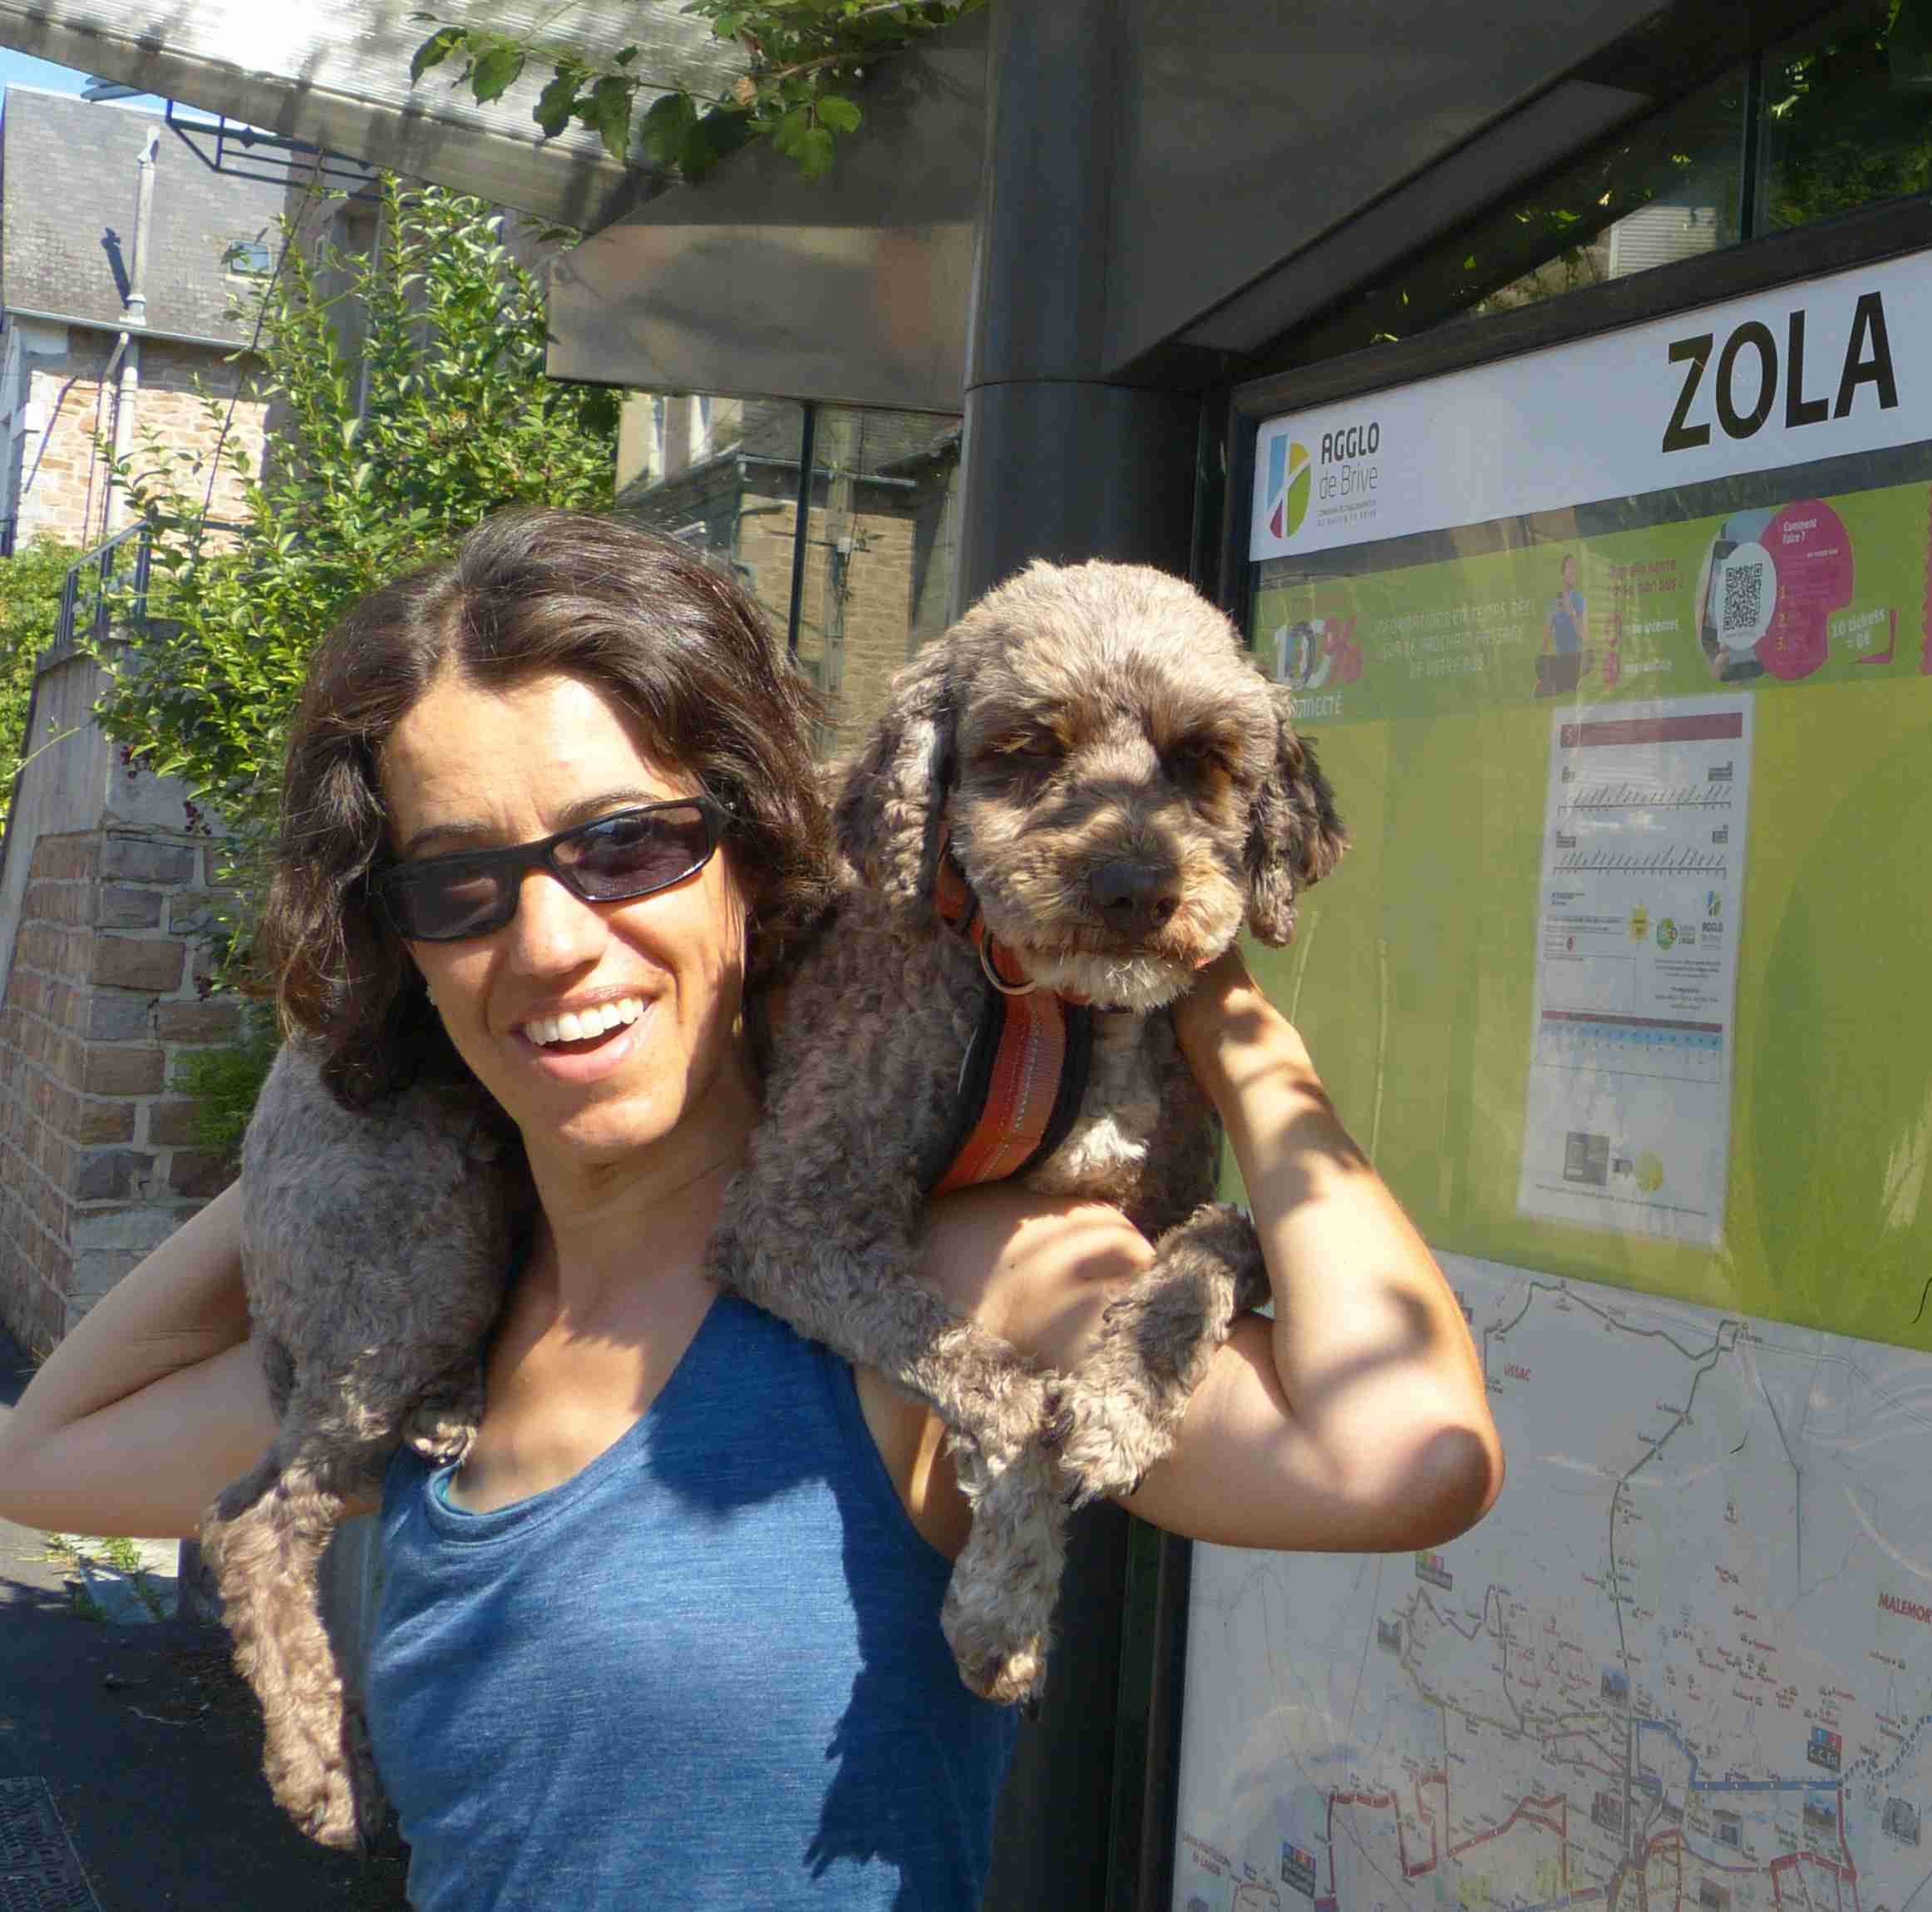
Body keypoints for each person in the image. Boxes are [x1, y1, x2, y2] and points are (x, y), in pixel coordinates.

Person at [0, 510, 1501, 1908]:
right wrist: (372, 1084)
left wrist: (1240, 1037)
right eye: (458, 885)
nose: (551, 942)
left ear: (757, 861)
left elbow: (1397, 1460)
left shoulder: (954, 1270)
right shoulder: (439, 1340)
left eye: (626, 846)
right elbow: (46, 1457)